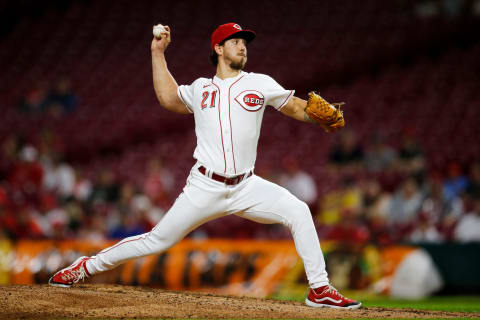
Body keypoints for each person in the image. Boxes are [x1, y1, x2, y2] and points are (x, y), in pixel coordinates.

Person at [48, 22, 361, 310]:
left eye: (244, 42)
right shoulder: (200, 88)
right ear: (218, 49)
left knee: (298, 211)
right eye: (235, 42)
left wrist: (322, 113)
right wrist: (158, 53)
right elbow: (169, 98)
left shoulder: (259, 83)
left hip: (246, 185)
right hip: (204, 185)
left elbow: (295, 106)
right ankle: (85, 267)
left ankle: (319, 288)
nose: (242, 47)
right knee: (158, 240)